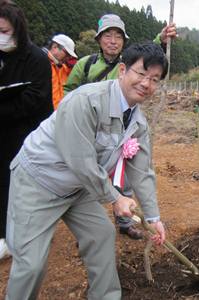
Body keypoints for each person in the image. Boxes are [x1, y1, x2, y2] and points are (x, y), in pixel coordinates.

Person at [5, 42, 168, 299]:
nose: (147, 84)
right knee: (31, 264)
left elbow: (142, 171)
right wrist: (115, 198)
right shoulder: (86, 100)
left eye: (155, 79)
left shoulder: (137, 122)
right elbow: (79, 159)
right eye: (141, 74)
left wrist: (153, 217)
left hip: (77, 187)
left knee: (101, 234)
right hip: (38, 181)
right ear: (123, 70)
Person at [64, 13, 177, 240]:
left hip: (122, 128)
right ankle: (87, 228)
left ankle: (124, 223)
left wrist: (161, 39)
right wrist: (67, 115)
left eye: (118, 36)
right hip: (90, 130)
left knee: (125, 177)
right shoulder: (87, 65)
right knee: (89, 177)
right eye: (108, 35)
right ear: (99, 39)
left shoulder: (132, 64)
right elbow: (69, 91)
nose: (113, 40)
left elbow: (148, 59)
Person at [0, 0, 53, 260]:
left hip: (27, 133)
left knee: (21, 184)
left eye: (4, 31)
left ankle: (18, 235)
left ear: (18, 29)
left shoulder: (36, 59)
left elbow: (36, 99)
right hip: (3, 132)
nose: (1, 37)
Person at [42, 33, 77, 109]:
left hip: (58, 114)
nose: (68, 58)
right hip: (44, 115)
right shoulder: (41, 63)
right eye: (66, 53)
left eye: (70, 55)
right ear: (54, 47)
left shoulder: (63, 67)